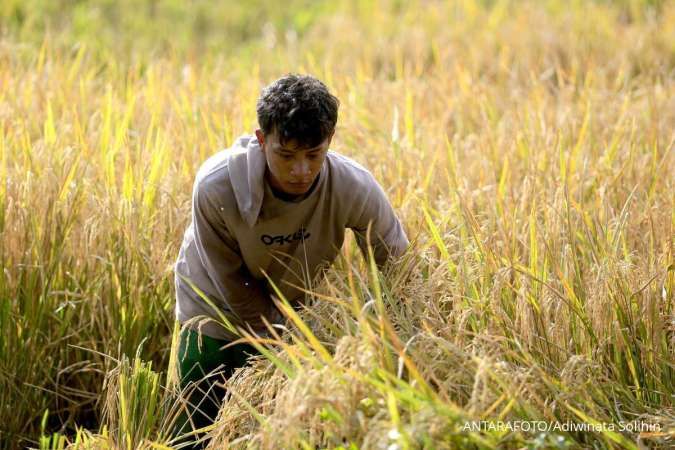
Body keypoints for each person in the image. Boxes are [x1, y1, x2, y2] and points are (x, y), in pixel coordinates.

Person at [171, 74, 409, 447]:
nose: (301, 171)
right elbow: (233, 284)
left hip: (291, 309)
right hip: (212, 311)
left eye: (314, 155)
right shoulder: (217, 187)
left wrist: (396, 335)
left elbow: (396, 263)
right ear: (262, 139)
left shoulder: (353, 187)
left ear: (330, 140)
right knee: (196, 431)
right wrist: (285, 344)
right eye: (286, 156)